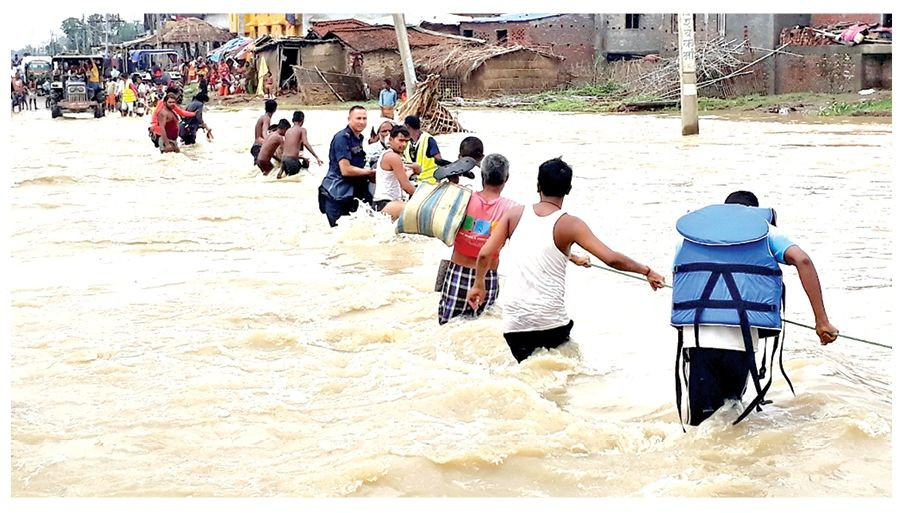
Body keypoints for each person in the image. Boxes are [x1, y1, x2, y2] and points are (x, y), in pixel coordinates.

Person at [467, 157, 665, 363]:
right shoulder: (571, 225)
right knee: (564, 378)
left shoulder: (514, 215)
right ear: (569, 189)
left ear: (537, 185)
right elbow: (611, 259)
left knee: (529, 374)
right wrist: (647, 271)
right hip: (550, 323)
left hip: (515, 325)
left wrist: (479, 285)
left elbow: (485, 254)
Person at [670, 190, 837, 426]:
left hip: (698, 338)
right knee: (731, 414)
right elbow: (803, 260)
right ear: (756, 212)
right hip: (741, 339)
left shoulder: (691, 237)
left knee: (701, 423)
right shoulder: (768, 232)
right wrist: (821, 321)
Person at [437, 143, 520, 326]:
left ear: (482, 176)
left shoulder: (463, 197)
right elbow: (530, 241)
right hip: (487, 278)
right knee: (481, 328)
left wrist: (453, 183)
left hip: (457, 273)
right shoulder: (512, 209)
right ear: (506, 178)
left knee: (446, 328)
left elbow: (437, 213)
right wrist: (572, 256)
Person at [318, 105, 375, 227]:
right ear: (349, 119)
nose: (362, 122)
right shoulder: (342, 138)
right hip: (336, 193)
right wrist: (370, 172)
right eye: (358, 118)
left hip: (353, 191)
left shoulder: (359, 138)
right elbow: (346, 170)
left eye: (364, 118)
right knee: (339, 233)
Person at [371, 125, 418, 219]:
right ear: (391, 139)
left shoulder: (394, 155)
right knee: (418, 211)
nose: (404, 144)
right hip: (384, 203)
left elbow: (403, 176)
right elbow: (406, 186)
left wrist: (412, 169)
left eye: (406, 141)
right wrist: (425, 197)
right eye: (400, 140)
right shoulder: (393, 157)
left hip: (390, 202)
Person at [278, 110, 323, 179]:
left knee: (288, 180)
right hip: (291, 160)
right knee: (294, 181)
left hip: (284, 159)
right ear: (302, 120)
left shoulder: (288, 131)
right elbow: (305, 143)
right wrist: (316, 157)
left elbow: (287, 150)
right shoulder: (302, 130)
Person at [403, 115, 443, 184]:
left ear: (407, 126)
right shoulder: (407, 141)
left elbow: (439, 160)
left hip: (430, 182)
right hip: (413, 181)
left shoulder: (428, 140)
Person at [251, 99, 277, 164]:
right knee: (268, 170)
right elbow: (264, 132)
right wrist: (268, 142)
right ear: (275, 109)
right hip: (259, 147)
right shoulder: (266, 118)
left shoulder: (264, 117)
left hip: (256, 147)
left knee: (266, 171)